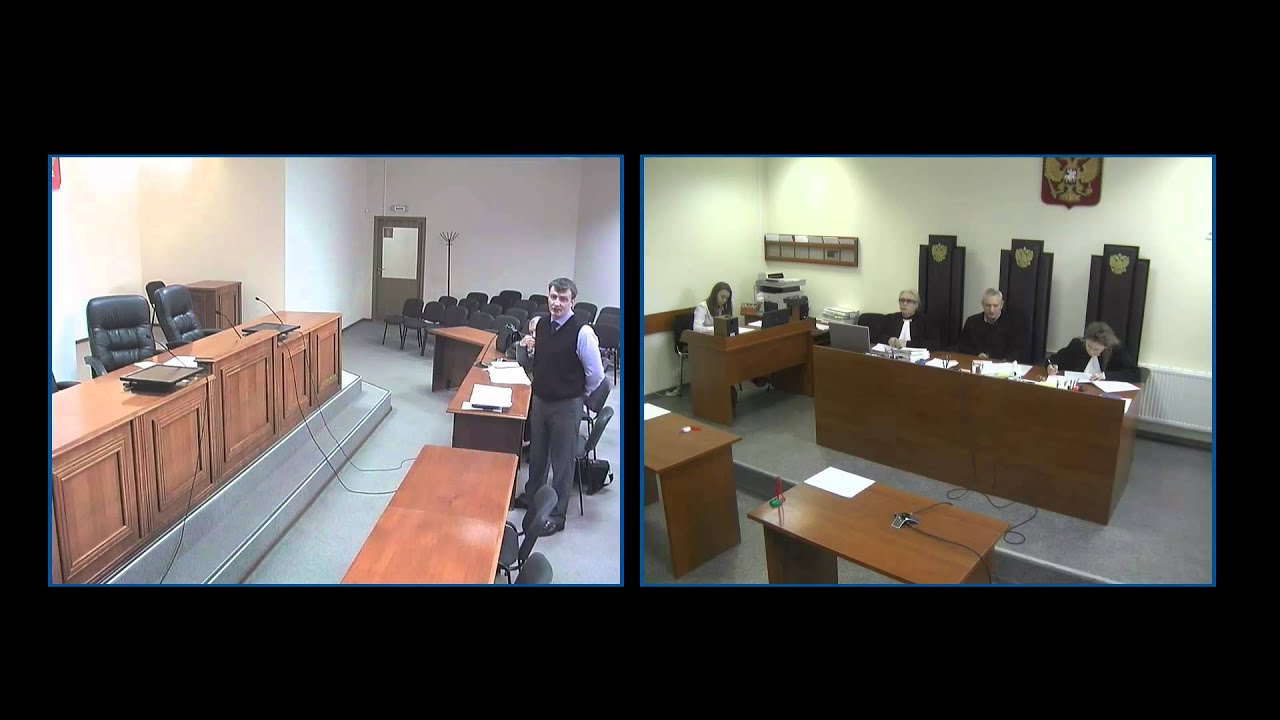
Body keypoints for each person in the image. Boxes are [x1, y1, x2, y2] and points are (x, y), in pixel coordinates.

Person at [513, 277, 605, 535]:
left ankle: (556, 514)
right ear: (548, 297)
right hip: (541, 400)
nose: (557, 303)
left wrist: (578, 394)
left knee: (562, 462)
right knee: (538, 454)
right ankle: (532, 494)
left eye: (563, 299)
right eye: (553, 297)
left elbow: (596, 374)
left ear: (572, 302)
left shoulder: (582, 332)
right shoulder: (542, 325)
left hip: (566, 405)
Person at [1047, 321, 1140, 383]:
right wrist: (1050, 366)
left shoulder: (1116, 350)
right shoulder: (1077, 344)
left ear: (1105, 347)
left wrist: (1105, 376)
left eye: (1096, 349)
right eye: (1089, 346)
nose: (1091, 351)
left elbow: (1134, 374)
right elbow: (1053, 360)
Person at [956, 288, 1026, 361]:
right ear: (982, 304)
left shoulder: (1013, 324)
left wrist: (1004, 361)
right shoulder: (972, 321)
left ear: (1001, 305)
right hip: (977, 362)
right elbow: (963, 346)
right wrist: (977, 354)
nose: (991, 310)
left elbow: (1016, 350)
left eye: (995, 306)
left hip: (1003, 365)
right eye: (988, 305)